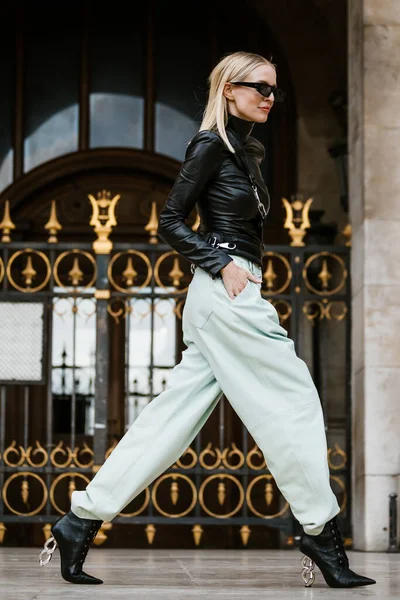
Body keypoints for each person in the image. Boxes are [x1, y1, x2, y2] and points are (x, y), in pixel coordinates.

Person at [38, 50, 376, 589]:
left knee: (168, 422)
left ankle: (80, 521)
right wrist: (221, 263)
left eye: (274, 90)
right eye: (258, 87)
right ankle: (319, 529)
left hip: (223, 295)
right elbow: (172, 219)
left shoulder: (248, 151)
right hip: (226, 291)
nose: (269, 97)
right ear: (228, 90)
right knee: (295, 402)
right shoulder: (211, 145)